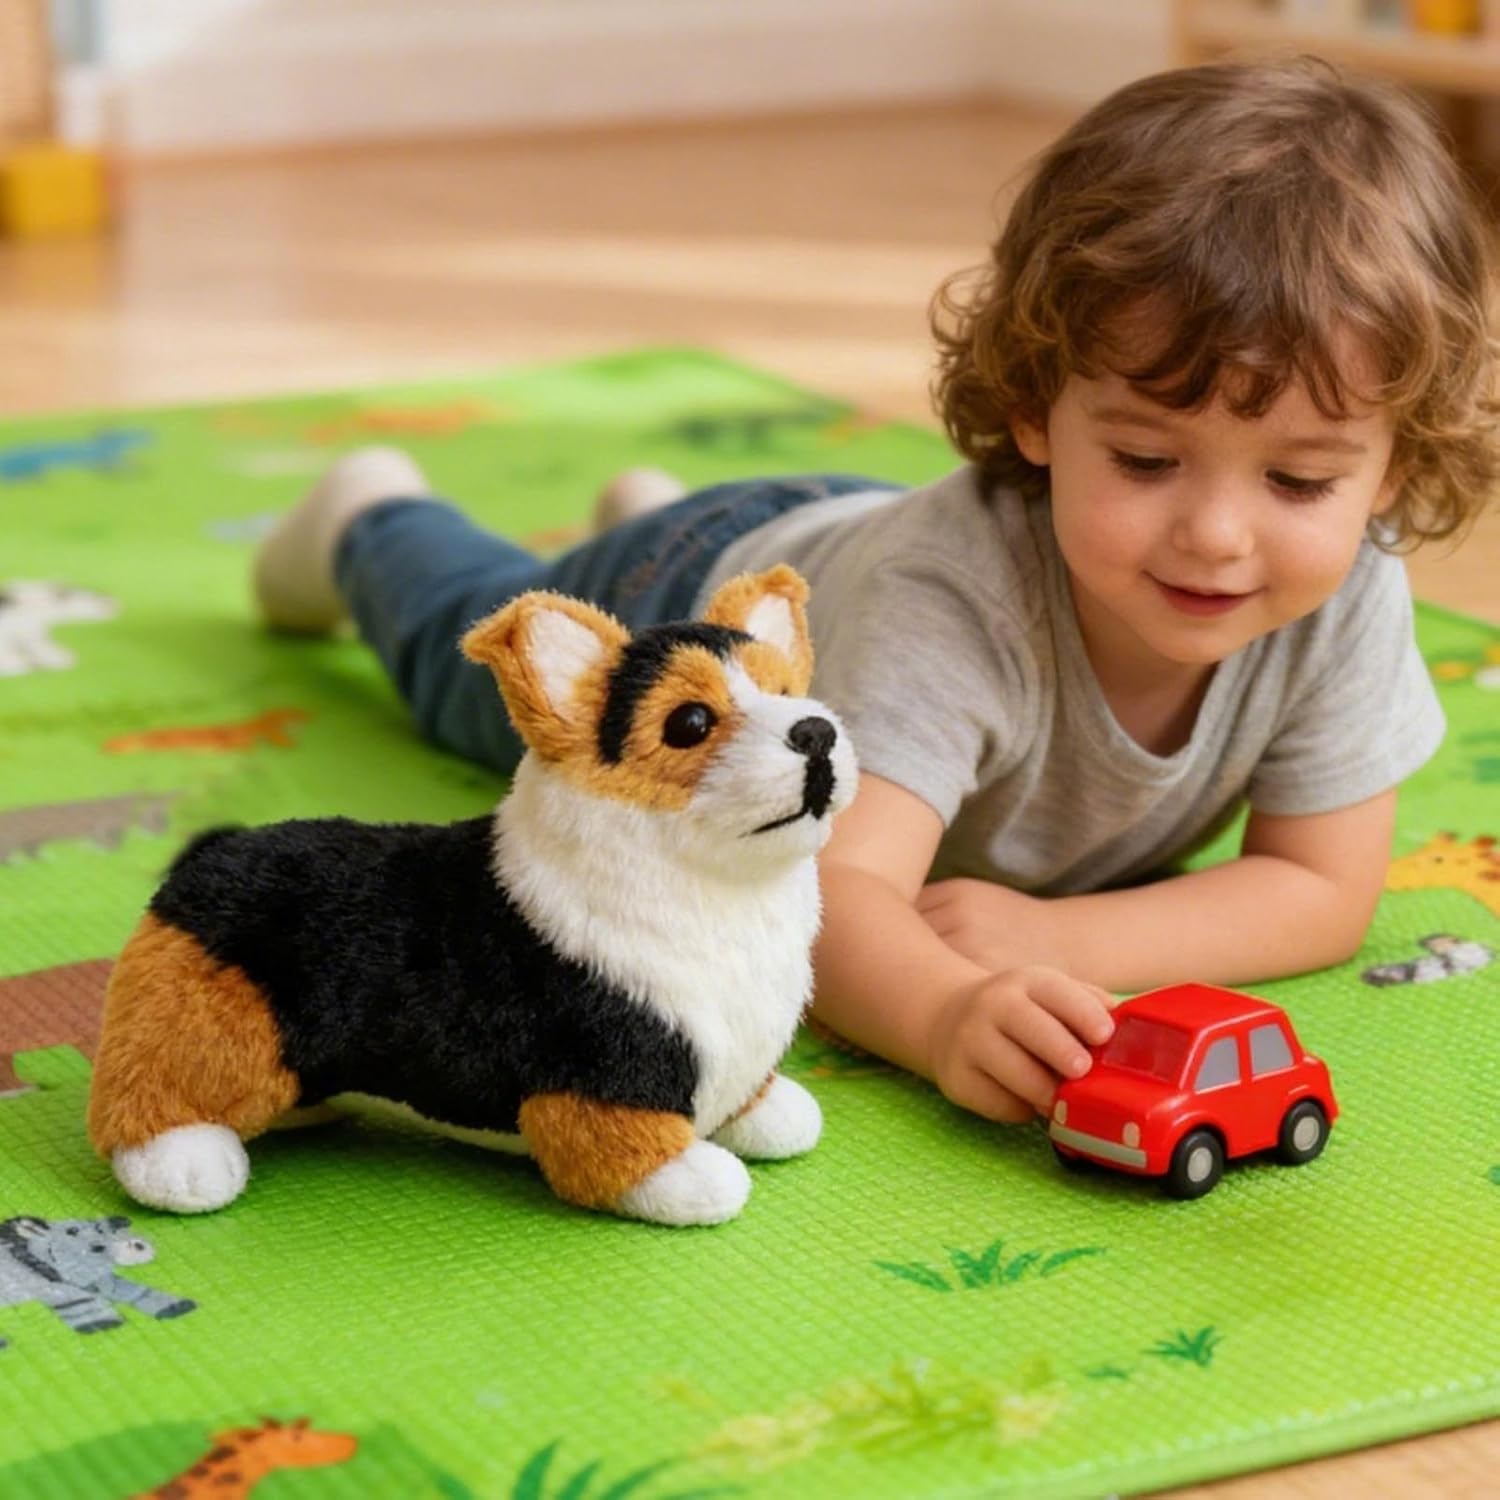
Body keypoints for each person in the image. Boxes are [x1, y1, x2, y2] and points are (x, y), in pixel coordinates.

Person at [252, 57, 1499, 1127]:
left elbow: (1322, 891)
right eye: (1145, 460)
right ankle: (373, 516)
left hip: (838, 558)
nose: (1218, 537)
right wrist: (948, 1011)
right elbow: (832, 891)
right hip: (715, 623)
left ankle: (643, 505)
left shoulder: (1348, 589)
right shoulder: (948, 605)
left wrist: (1061, 938)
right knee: (465, 667)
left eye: (1299, 479)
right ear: (1036, 408)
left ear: (1394, 465)